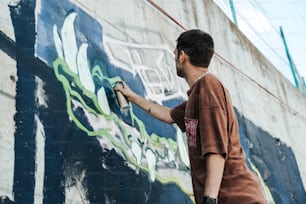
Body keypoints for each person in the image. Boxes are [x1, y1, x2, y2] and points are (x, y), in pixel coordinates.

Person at [114, 29, 266, 204]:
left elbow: (216, 149)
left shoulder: (208, 86)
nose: (174, 59)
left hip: (237, 198)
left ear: (182, 56)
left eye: (175, 54)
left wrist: (209, 199)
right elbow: (169, 115)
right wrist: (132, 96)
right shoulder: (199, 94)